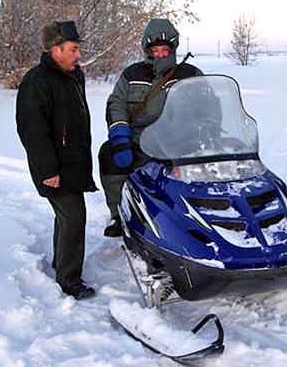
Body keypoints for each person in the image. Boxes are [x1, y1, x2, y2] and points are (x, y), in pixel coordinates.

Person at [16, 21, 97, 299]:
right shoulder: (37, 81)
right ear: (55, 50)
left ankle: (60, 261)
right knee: (74, 217)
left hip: (73, 163)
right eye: (73, 49)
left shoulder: (74, 75)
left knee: (66, 217)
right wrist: (48, 169)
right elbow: (31, 131)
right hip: (54, 168)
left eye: (77, 49)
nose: (78, 55)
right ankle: (69, 280)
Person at [99, 18, 202, 237]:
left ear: (173, 48)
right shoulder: (132, 74)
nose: (161, 54)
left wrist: (197, 135)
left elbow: (207, 108)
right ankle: (118, 213)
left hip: (177, 142)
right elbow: (115, 104)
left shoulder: (190, 75)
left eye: (165, 49)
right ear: (147, 49)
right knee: (108, 154)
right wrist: (120, 138)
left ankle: (191, 219)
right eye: (156, 49)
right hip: (138, 140)